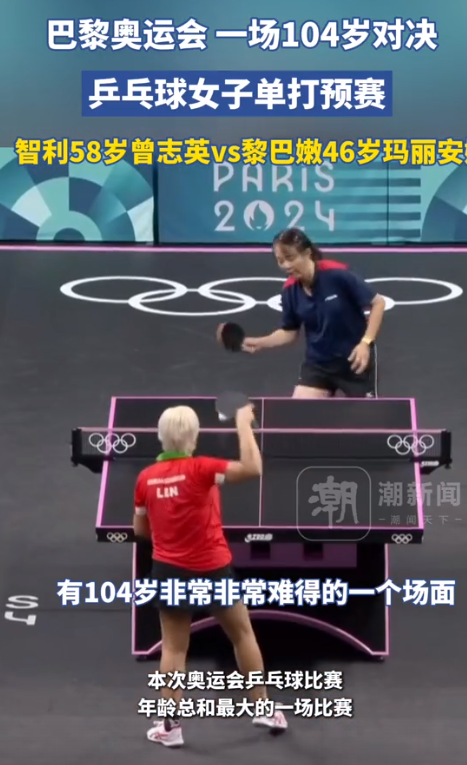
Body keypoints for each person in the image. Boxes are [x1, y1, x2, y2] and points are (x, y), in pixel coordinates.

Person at [133, 404, 288, 748]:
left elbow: (140, 530)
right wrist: (243, 423)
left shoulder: (145, 478)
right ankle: (263, 708)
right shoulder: (203, 468)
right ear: (194, 437)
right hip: (213, 569)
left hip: (170, 571)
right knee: (243, 635)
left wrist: (171, 533)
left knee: (174, 648)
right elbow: (252, 468)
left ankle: (170, 727)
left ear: (160, 437)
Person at [242, 228, 386, 398]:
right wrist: (260, 342)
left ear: (307, 253)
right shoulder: (290, 290)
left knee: (367, 415)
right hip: (319, 365)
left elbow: (378, 303)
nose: (286, 265)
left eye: (290, 258)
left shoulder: (337, 274)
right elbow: (289, 332)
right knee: (300, 412)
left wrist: (365, 343)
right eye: (280, 260)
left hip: (355, 361)